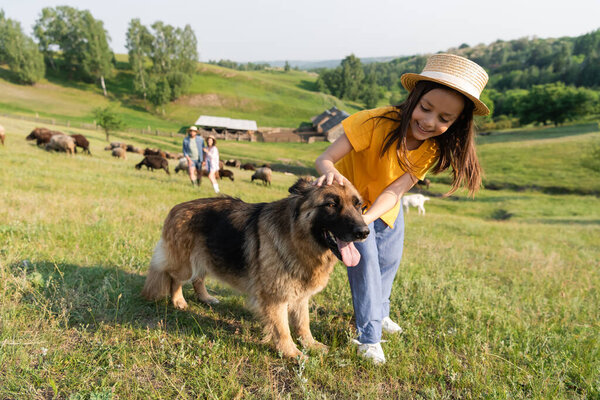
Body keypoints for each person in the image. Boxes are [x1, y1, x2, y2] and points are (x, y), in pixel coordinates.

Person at [314, 53, 490, 364]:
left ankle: (380, 313)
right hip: (351, 210)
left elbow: (396, 190)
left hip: (387, 208)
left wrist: (372, 216)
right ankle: (368, 337)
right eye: (425, 109)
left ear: (457, 123)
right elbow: (325, 158)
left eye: (444, 119)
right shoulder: (373, 122)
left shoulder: (431, 147)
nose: (430, 121)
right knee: (365, 268)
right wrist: (331, 172)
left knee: (388, 263)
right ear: (413, 98)